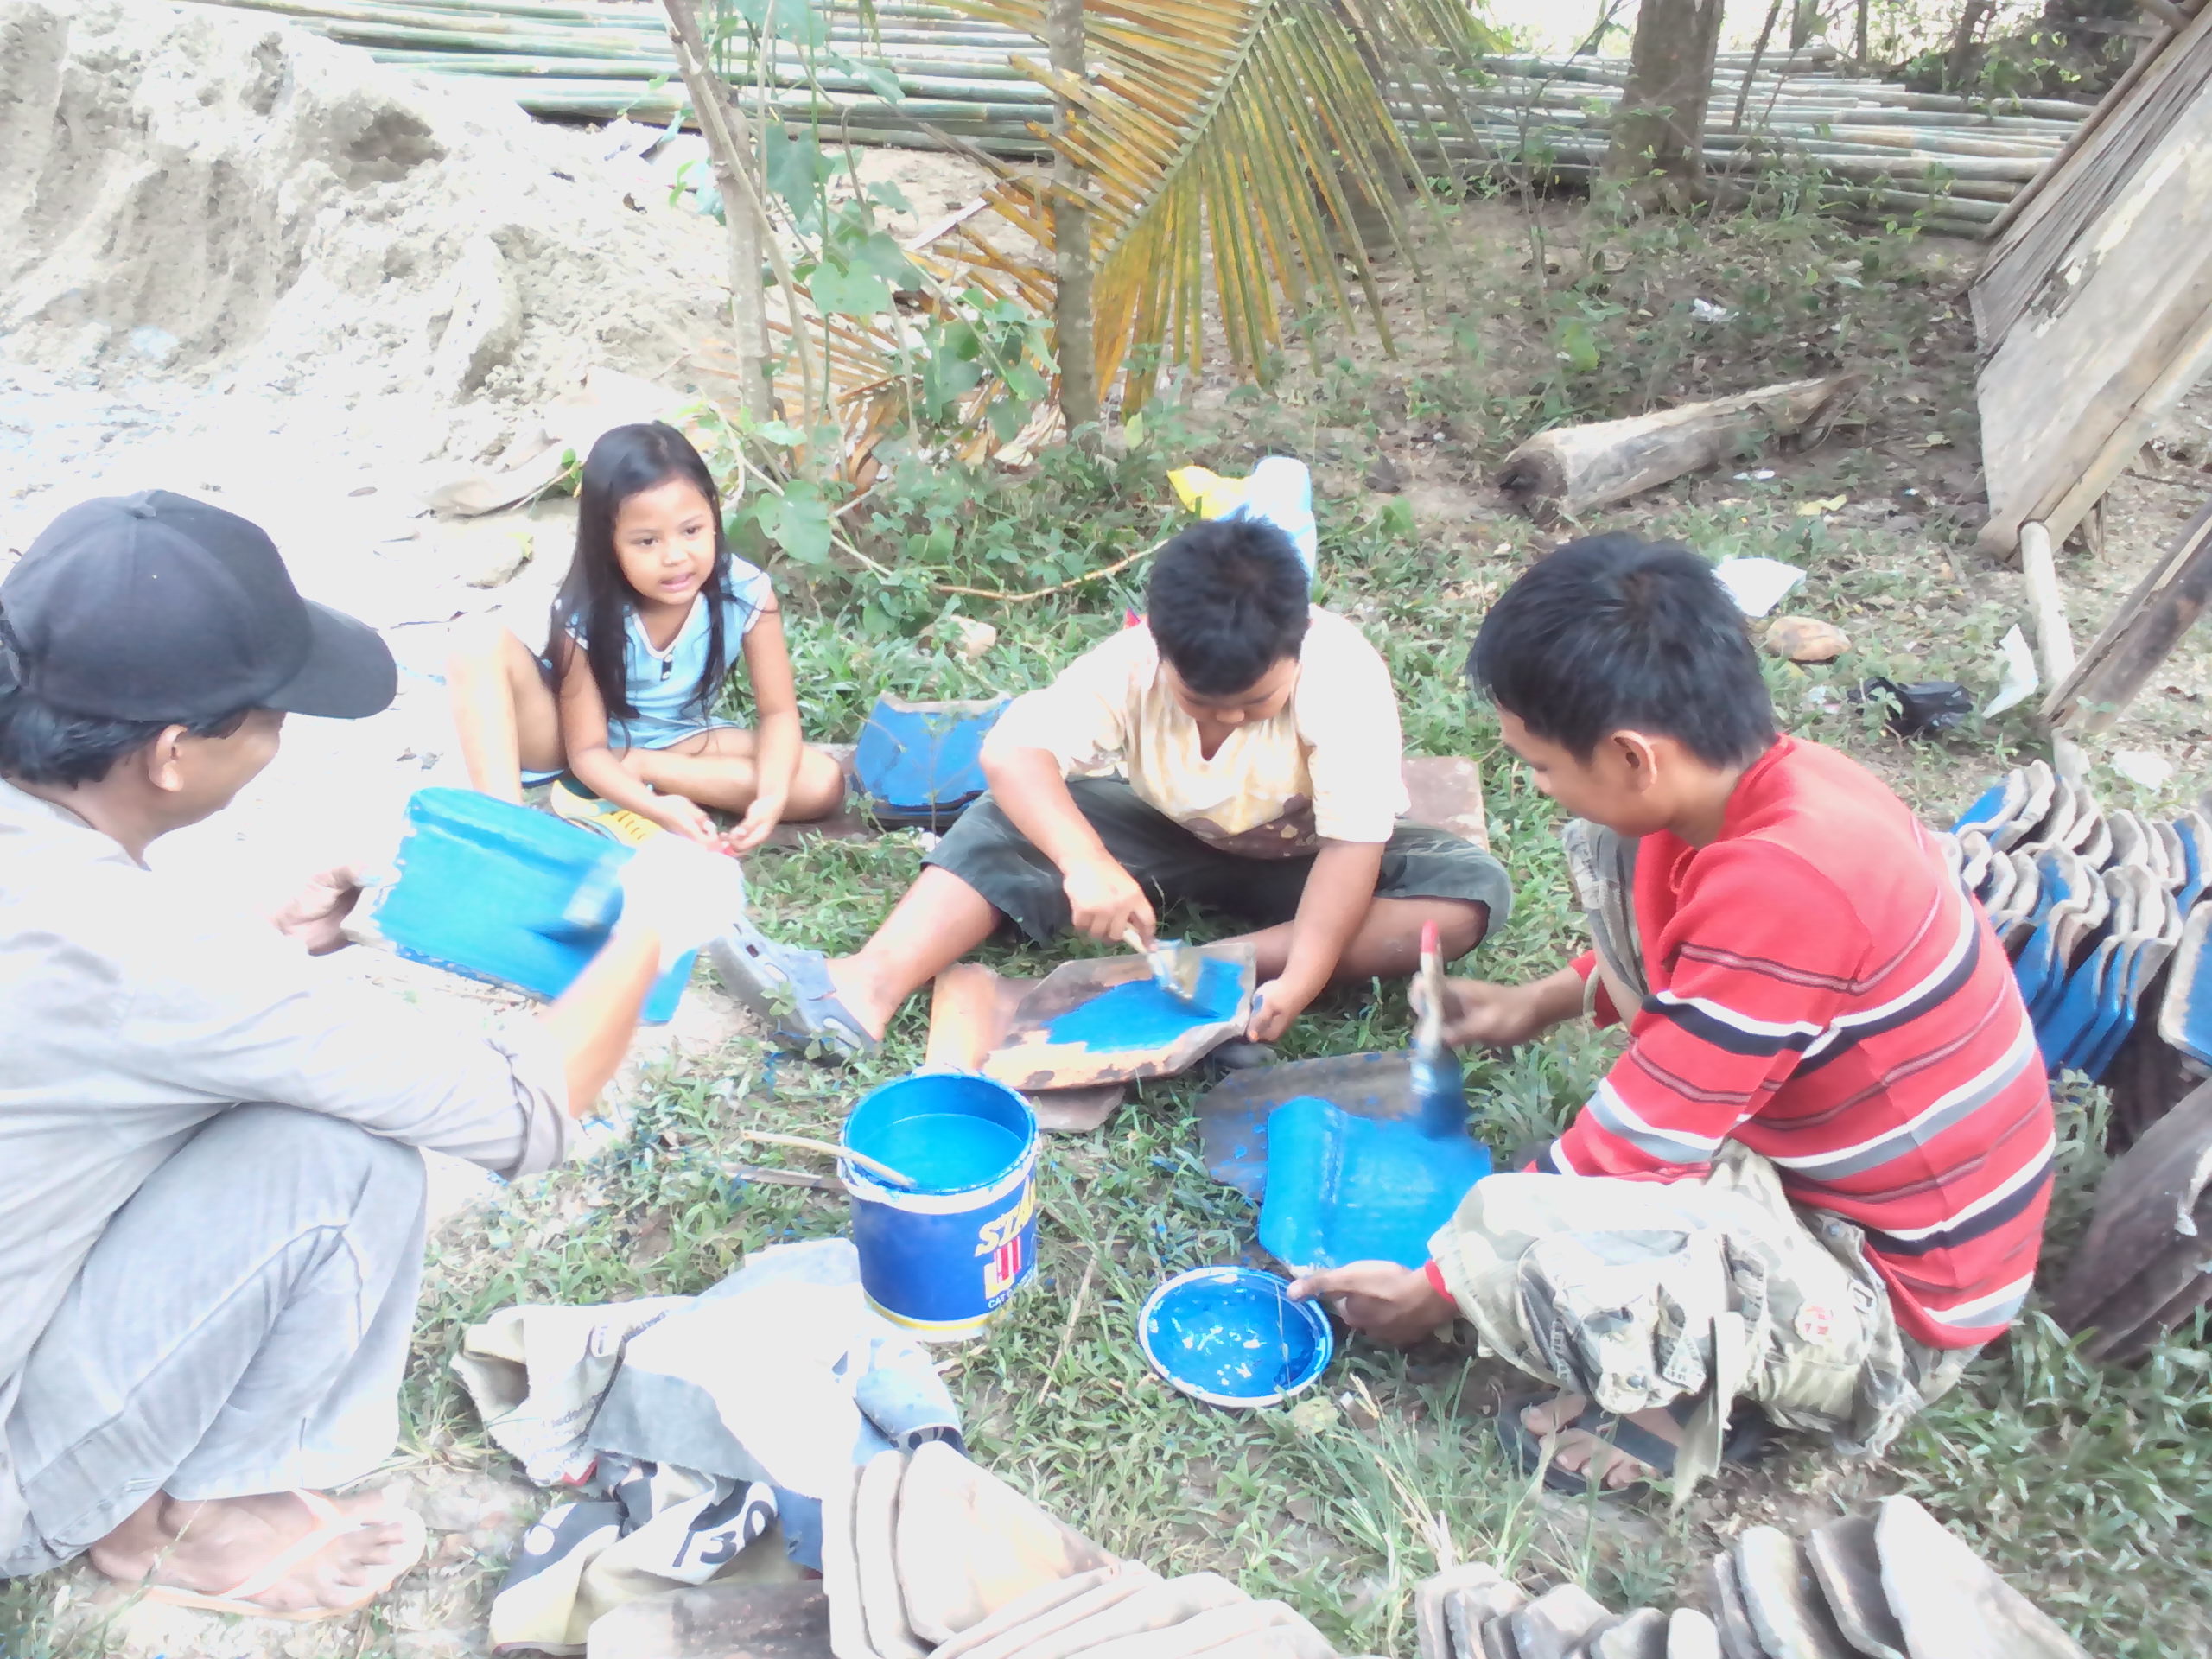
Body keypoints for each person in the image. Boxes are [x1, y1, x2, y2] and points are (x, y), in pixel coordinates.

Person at [0, 493, 706, 1621]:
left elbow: (88, 995)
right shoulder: (158, 958)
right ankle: (167, 1520)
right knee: (342, 1161)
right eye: (271, 715)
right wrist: (653, 926)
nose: (280, 737)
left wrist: (253, 938)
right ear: (173, 754)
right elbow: (526, 1112)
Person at [1293, 533, 2053, 1498]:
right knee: (1622, 856)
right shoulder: (1773, 789)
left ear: (1631, 755)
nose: (1535, 786)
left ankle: (1708, 1385)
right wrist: (1539, 1002)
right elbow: (1701, 956)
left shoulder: (1790, 890)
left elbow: (1634, 1148)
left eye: (1538, 765)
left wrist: (1439, 1288)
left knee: (1545, 1244)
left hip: (1894, 1289)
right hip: (1836, 1173)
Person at [709, 518, 1514, 1057]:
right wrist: (1087, 863)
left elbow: (1351, 849)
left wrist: (1301, 977)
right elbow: (1012, 754)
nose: (1229, 720)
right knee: (1004, 819)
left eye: (1256, 703)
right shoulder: (1130, 665)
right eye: (1202, 703)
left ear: (1297, 647)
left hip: (1308, 857)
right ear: (1158, 646)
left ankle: (1213, 966)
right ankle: (863, 989)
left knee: (1468, 892)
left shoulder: (1342, 679)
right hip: (1168, 834)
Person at [447, 421, 845, 853]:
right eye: (646, 541)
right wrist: (657, 809)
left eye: (691, 530)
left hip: (678, 738)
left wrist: (769, 797)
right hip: (568, 742)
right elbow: (587, 752)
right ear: (609, 542)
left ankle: (641, 768)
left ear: (713, 517)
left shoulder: (746, 593)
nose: (675, 556)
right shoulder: (586, 612)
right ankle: (505, 830)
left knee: (820, 781)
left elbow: (779, 714)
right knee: (474, 637)